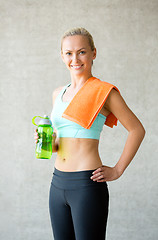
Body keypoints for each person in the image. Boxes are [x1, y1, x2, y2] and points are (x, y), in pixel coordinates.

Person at [34, 27, 145, 240]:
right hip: (57, 183)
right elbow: (61, 142)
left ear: (94, 53)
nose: (75, 58)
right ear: (62, 56)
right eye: (69, 53)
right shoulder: (58, 94)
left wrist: (118, 170)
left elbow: (137, 129)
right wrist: (48, 142)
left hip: (86, 184)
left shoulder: (104, 92)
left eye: (82, 52)